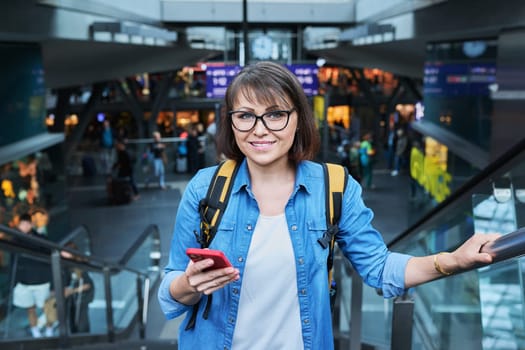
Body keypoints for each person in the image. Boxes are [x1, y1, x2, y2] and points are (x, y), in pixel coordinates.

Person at [157, 61, 500, 350]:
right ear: (231, 122)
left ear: (297, 119)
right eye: (245, 116)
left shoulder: (334, 187)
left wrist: (453, 261)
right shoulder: (205, 187)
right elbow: (171, 288)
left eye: (275, 114)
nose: (259, 130)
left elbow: (379, 269)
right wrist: (188, 285)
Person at [12, 213, 55, 338]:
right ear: (18, 225)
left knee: (47, 307)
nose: (24, 227)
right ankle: (34, 329)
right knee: (30, 308)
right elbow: (12, 262)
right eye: (22, 224)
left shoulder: (40, 238)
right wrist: (14, 282)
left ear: (31, 224)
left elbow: (49, 257)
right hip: (24, 282)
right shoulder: (14, 240)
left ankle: (49, 329)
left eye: (26, 224)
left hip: (42, 280)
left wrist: (52, 281)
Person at [61, 242, 95, 333]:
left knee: (81, 322)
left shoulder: (79, 264)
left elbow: (87, 285)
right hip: (72, 298)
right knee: (72, 320)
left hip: (81, 298)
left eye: (65, 252)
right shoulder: (64, 263)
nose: (62, 253)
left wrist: (72, 291)